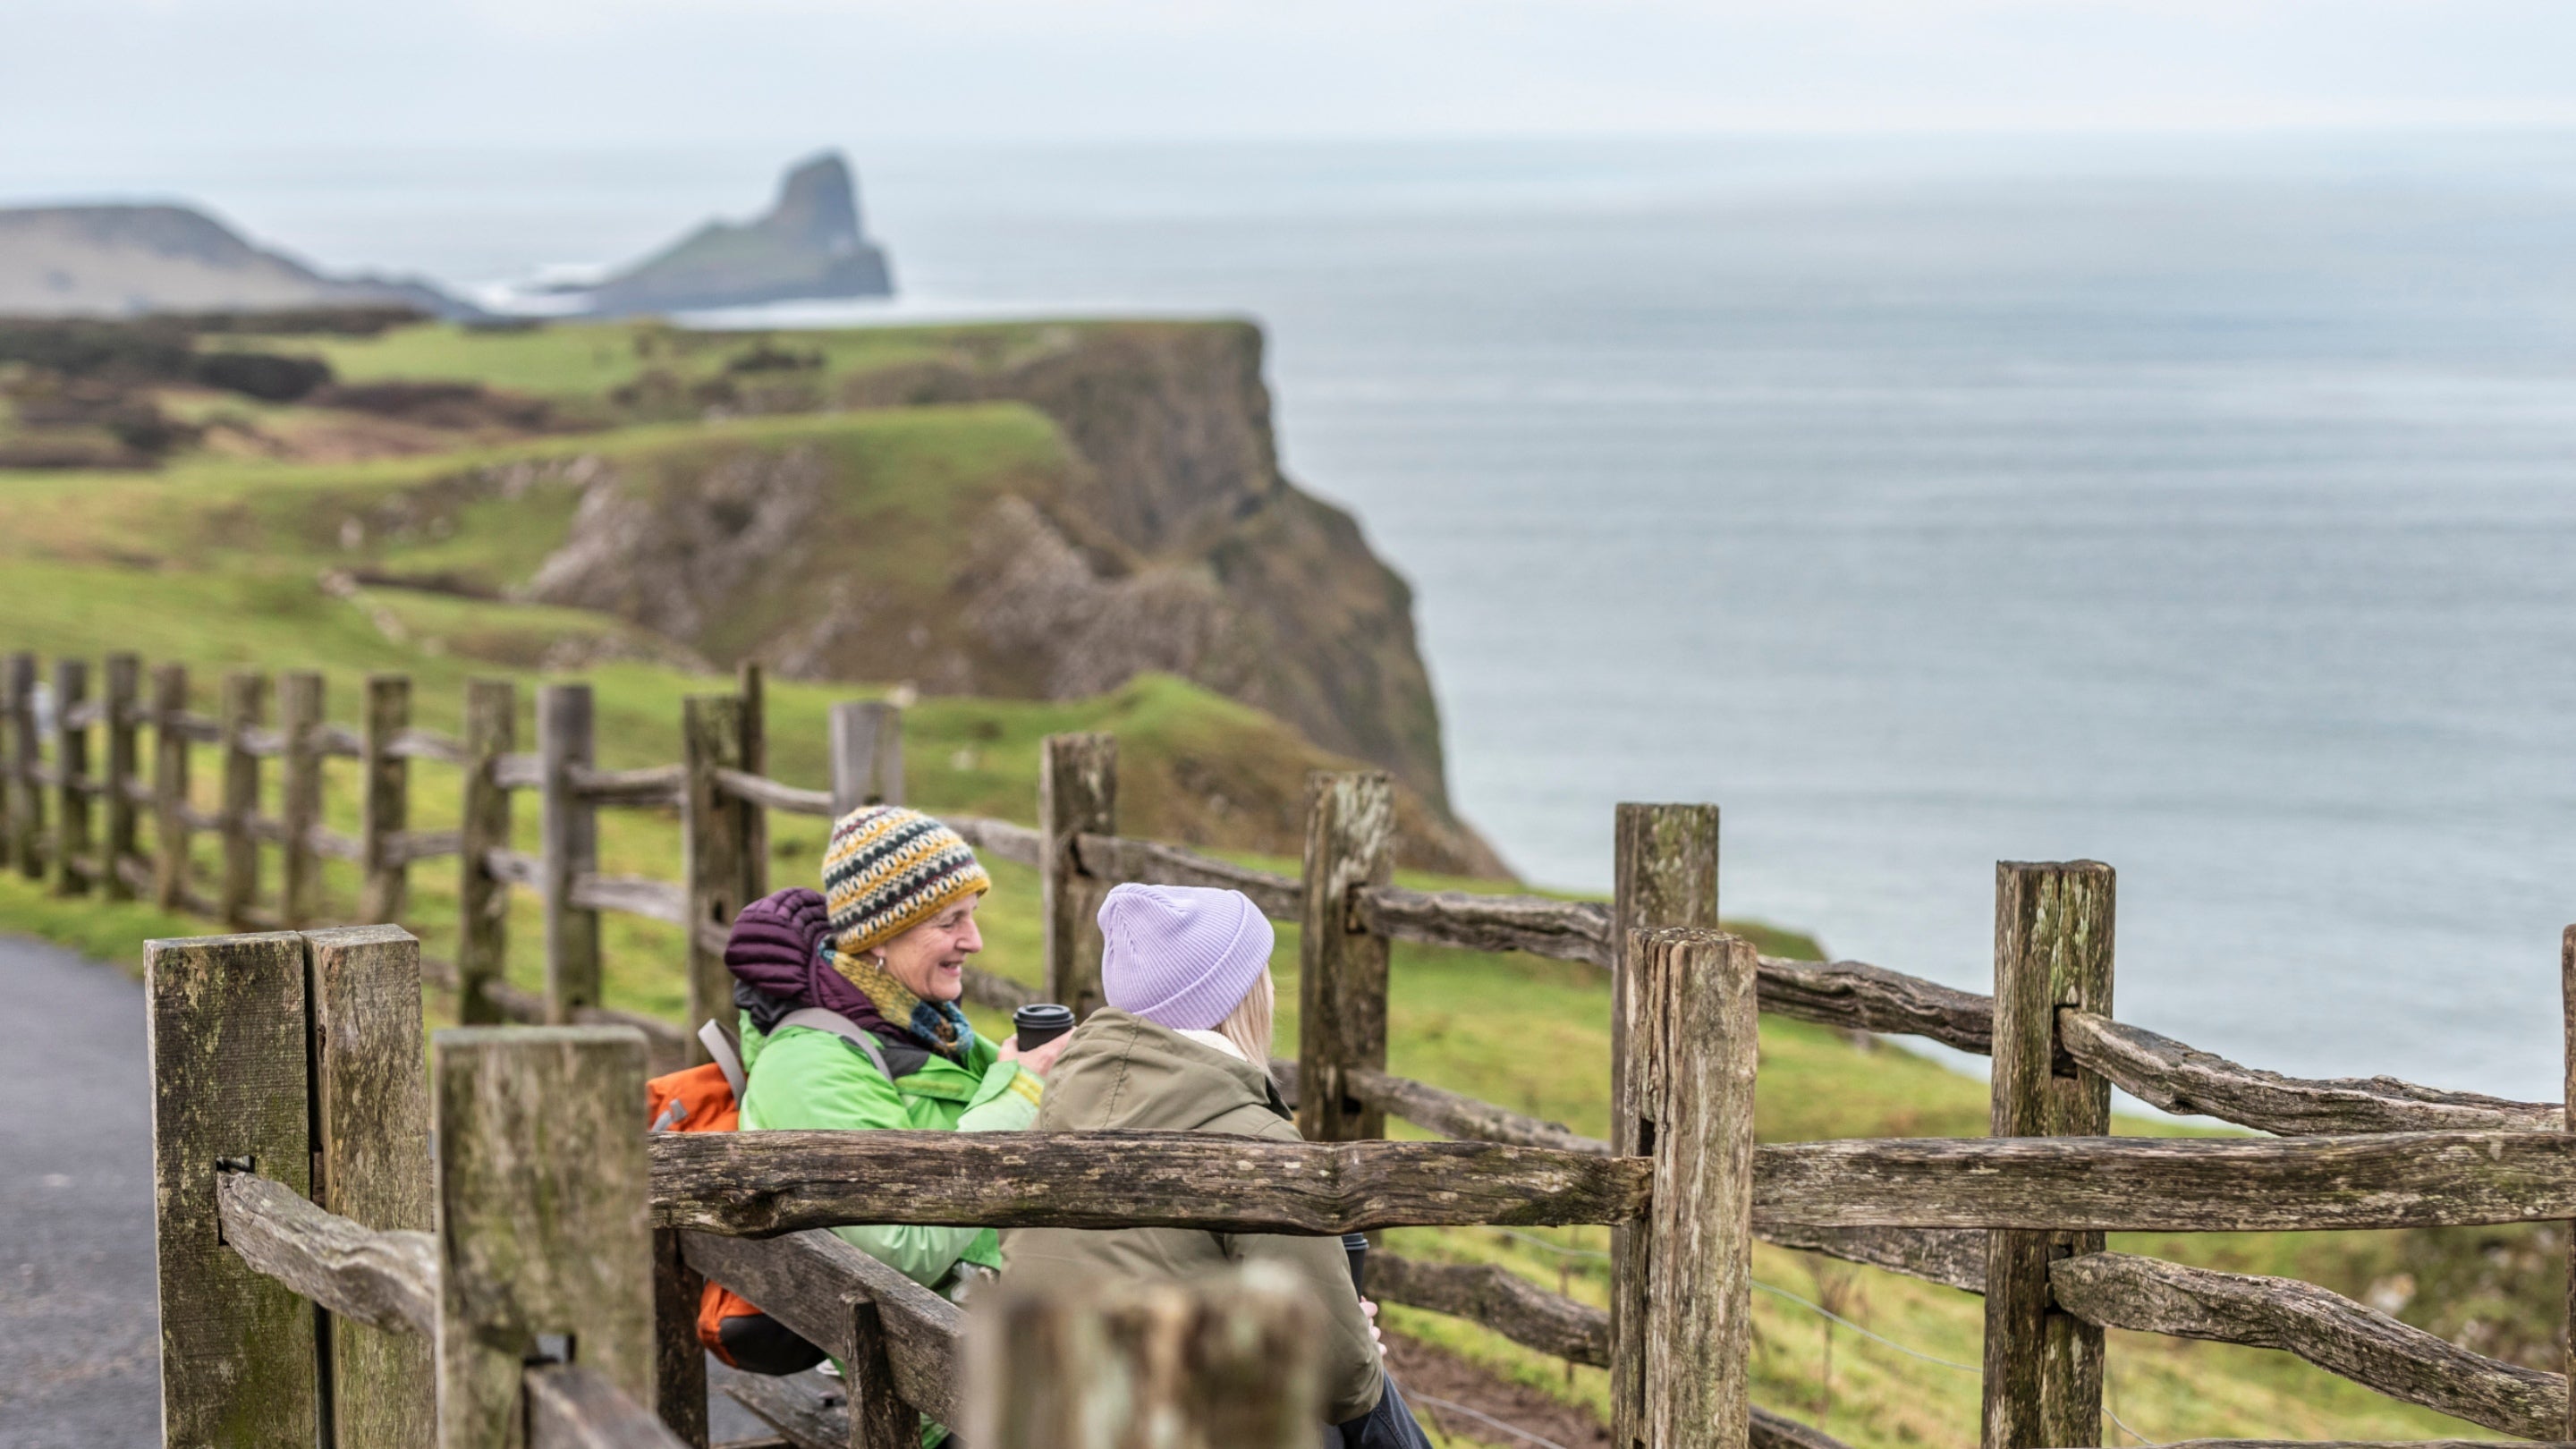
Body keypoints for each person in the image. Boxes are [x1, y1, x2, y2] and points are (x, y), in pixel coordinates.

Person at [1004, 884, 1426, 1445]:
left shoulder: (1056, 1106)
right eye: (1262, 973)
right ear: (1236, 997)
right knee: (1359, 1392)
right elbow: (1342, 1380)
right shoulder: (1254, 1141)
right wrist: (1356, 1346)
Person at [724, 803, 1070, 1298]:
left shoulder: (924, 1024)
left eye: (971, 916)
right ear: (878, 938)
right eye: (950, 922)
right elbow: (901, 1251)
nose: (974, 940)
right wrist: (1018, 1095)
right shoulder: (809, 1064)